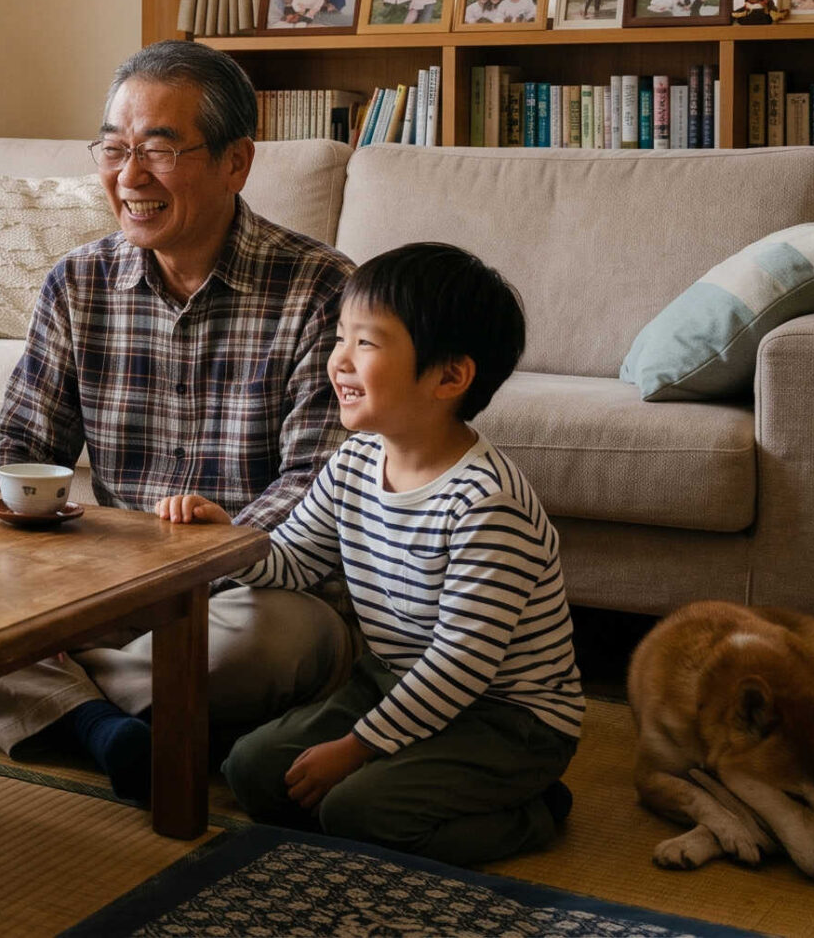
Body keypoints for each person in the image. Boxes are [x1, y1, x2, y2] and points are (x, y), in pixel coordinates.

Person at [0, 40, 351, 801]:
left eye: (159, 151)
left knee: (284, 642)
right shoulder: (78, 282)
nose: (129, 177)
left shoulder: (321, 288)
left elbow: (320, 486)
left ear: (237, 161)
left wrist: (212, 556)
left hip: (251, 591)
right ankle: (112, 727)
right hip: (110, 585)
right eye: (114, 149)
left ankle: (40, 694)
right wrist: (29, 521)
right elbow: (19, 445)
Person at [163, 243, 583, 866]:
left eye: (367, 343)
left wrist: (358, 746)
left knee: (355, 811)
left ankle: (535, 811)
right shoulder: (356, 460)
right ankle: (401, 774)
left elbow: (460, 666)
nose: (339, 361)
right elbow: (293, 563)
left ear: (449, 377)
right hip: (390, 680)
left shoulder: (487, 505)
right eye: (340, 338)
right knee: (251, 771)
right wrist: (228, 541)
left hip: (506, 718)